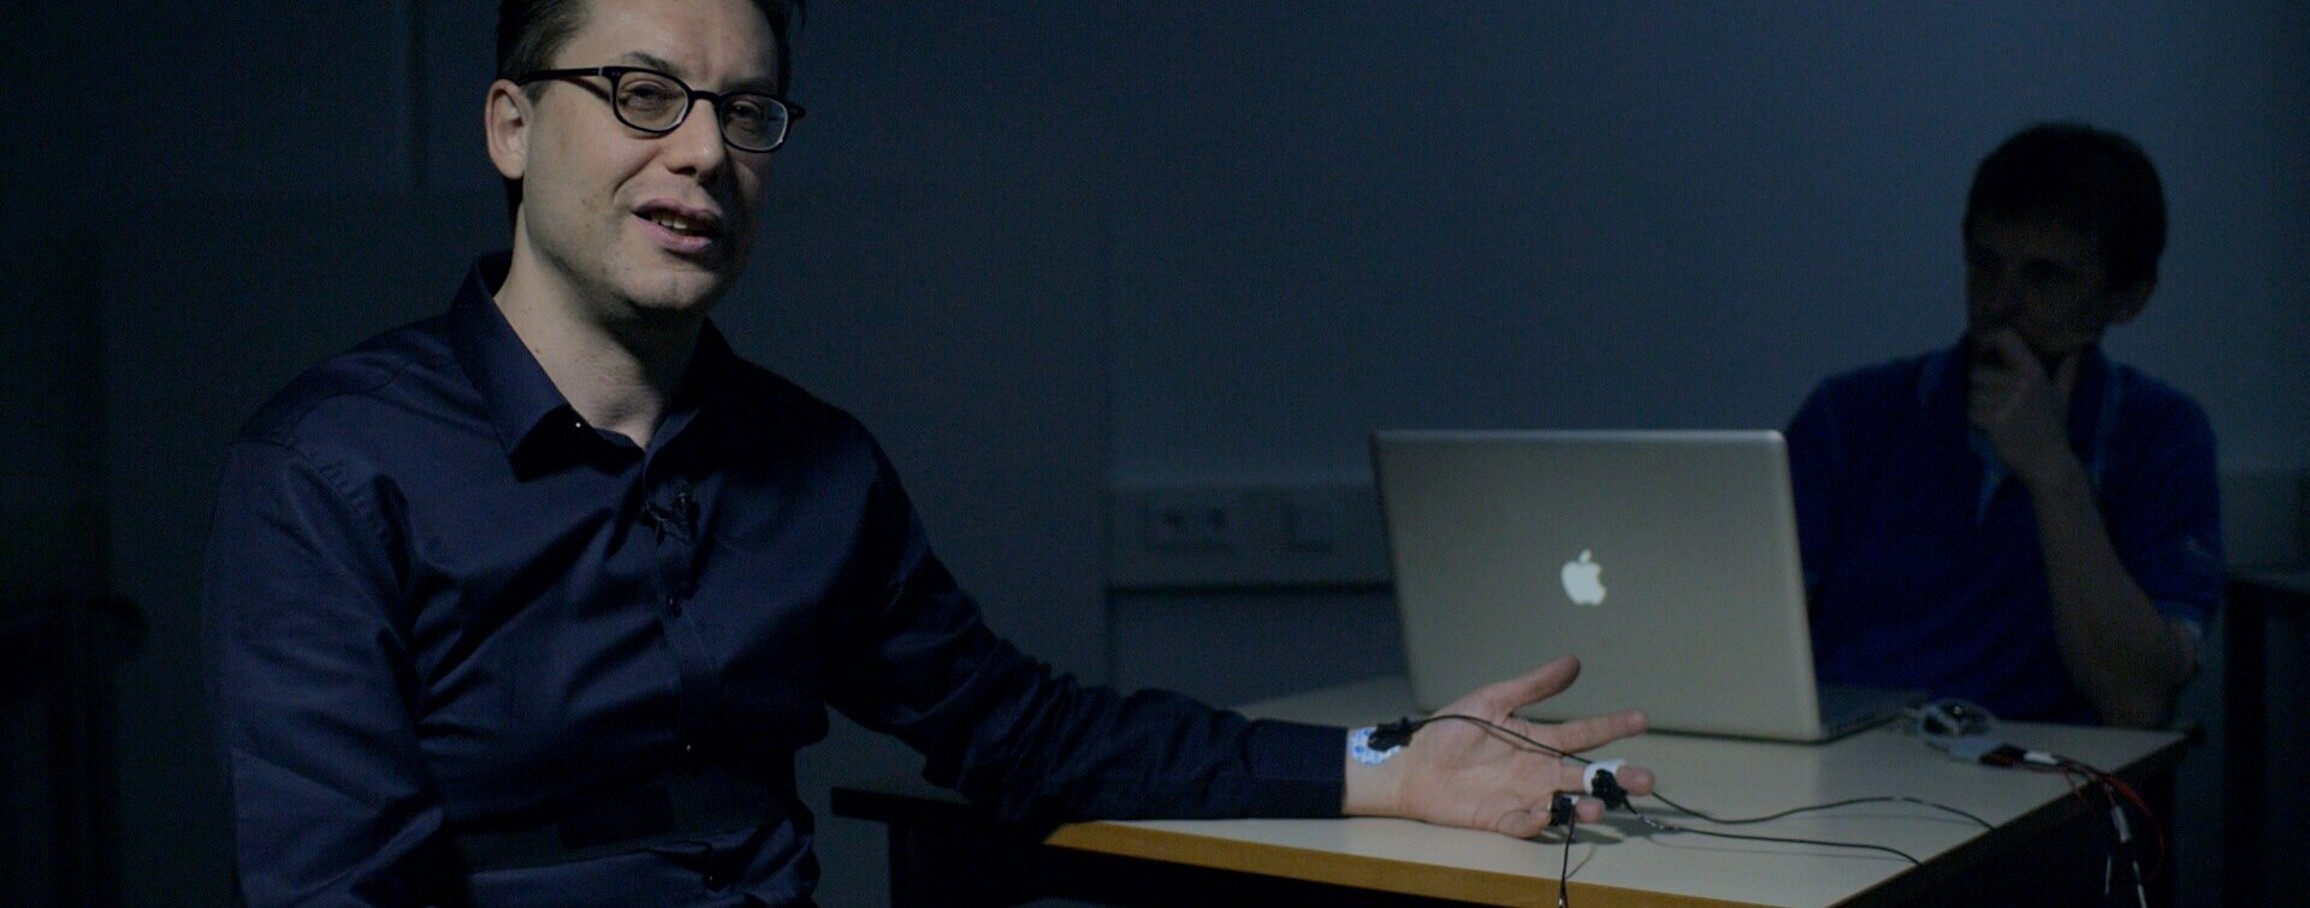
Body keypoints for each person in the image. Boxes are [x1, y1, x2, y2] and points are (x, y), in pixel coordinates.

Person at [198, 2, 1653, 905]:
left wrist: (1387, 768)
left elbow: (1021, 733)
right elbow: (341, 888)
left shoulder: (811, 466)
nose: (703, 151)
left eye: (746, 111)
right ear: (513, 125)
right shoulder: (329, 472)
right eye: (642, 94)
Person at [1786, 122, 2221, 729]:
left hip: (2043, 785)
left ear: (2127, 296)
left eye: (2045, 276)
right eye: (1986, 265)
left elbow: (2137, 700)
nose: (2000, 301)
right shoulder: (1851, 417)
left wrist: (2052, 471)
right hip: (1853, 769)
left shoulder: (2159, 434)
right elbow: (1747, 640)